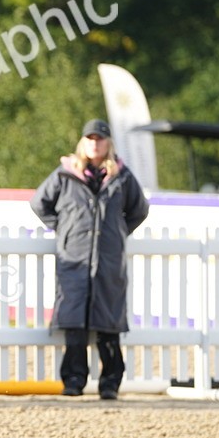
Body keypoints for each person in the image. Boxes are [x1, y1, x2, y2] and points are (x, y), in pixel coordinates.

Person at [30, 119, 149, 400]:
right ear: (83, 142)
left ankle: (110, 384)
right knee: (74, 322)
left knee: (109, 323)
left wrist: (119, 232)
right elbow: (39, 203)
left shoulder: (122, 176)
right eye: (91, 138)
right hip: (74, 258)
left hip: (108, 260)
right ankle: (73, 380)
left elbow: (139, 210)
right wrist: (65, 227)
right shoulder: (65, 174)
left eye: (100, 138)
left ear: (108, 143)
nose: (95, 143)